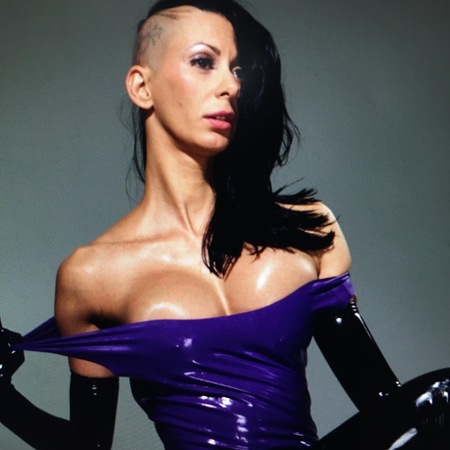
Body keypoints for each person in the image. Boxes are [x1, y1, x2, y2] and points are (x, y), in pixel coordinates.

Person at [1, 0, 448, 449]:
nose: (231, 85)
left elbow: (389, 410)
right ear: (142, 86)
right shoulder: (92, 276)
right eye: (203, 62)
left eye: (237, 69)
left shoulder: (307, 232)